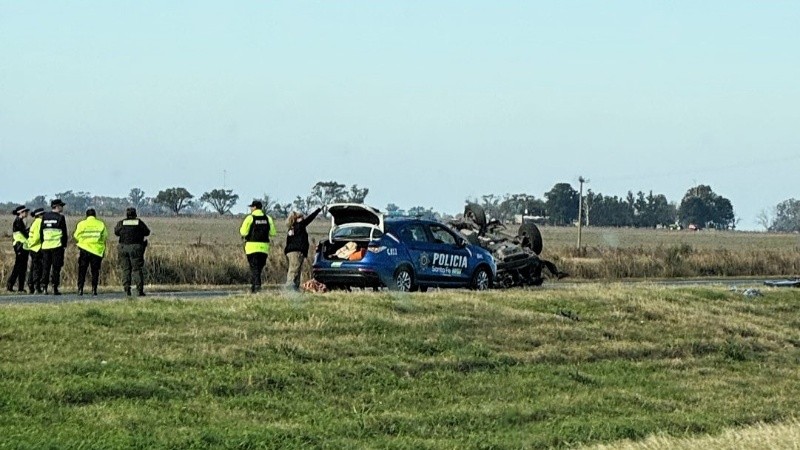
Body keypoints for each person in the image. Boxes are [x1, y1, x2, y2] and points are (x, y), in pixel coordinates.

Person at [239, 200, 276, 293]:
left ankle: (257, 286)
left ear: (255, 207)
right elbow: (273, 233)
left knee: (254, 268)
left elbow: (243, 232)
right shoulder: (268, 218)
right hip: (264, 248)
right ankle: (254, 288)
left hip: (251, 247)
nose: (251, 208)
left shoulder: (250, 218)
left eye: (252, 207)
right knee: (258, 268)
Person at [284, 207, 323, 290]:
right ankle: (290, 286)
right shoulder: (300, 225)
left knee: (296, 269)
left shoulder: (292, 228)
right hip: (296, 251)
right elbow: (310, 218)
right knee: (294, 269)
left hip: (290, 251)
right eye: (301, 217)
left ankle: (295, 287)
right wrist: (318, 210)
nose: (303, 218)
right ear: (297, 219)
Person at [114, 207, 150, 296]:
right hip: (136, 248)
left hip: (123, 247)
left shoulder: (122, 223)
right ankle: (139, 290)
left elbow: (116, 232)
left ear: (126, 215)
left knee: (126, 269)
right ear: (135, 214)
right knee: (137, 269)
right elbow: (147, 232)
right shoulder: (139, 222)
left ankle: (127, 289)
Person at [74, 208, 108, 296]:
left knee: (82, 270)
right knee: (95, 271)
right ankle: (94, 289)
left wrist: (83, 241)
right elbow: (105, 236)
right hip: (96, 250)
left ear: (86, 215)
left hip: (84, 249)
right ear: (95, 215)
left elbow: (76, 235)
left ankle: (80, 288)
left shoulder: (81, 224)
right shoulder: (100, 224)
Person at [41, 199, 68, 295]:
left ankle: (44, 287)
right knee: (56, 268)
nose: (62, 208)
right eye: (61, 206)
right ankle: (54, 287)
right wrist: (64, 245)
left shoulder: (45, 216)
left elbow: (41, 231)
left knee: (46, 267)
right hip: (57, 246)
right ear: (57, 206)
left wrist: (42, 243)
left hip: (45, 246)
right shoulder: (61, 217)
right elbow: (64, 233)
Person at [6, 205, 30, 292]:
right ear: (20, 213)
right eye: (25, 212)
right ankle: (10, 284)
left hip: (23, 247)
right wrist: (29, 231)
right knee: (18, 267)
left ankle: (20, 287)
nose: (27, 213)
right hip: (20, 247)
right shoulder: (18, 222)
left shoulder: (20, 221)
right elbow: (24, 234)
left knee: (22, 267)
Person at [26, 208, 45, 294]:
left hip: (32, 248)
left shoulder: (34, 223)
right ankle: (37, 286)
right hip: (37, 248)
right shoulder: (40, 223)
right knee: (38, 268)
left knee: (33, 267)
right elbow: (37, 237)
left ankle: (31, 285)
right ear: (40, 215)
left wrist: (30, 244)